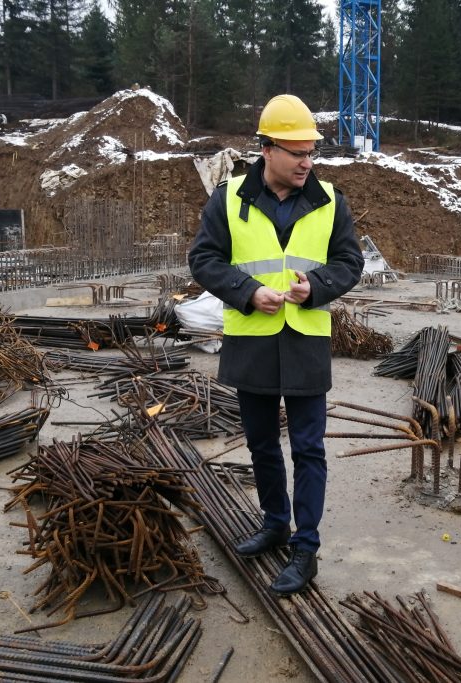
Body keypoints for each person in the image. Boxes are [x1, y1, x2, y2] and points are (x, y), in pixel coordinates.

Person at [187, 94, 363, 597]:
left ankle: (304, 548)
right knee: (262, 445)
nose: (307, 161)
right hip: (253, 344)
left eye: (311, 152)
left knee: (308, 449)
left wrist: (319, 286)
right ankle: (274, 524)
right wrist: (247, 291)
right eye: (296, 152)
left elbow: (350, 263)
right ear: (266, 150)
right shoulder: (228, 199)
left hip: (306, 344)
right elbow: (204, 259)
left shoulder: (331, 201)